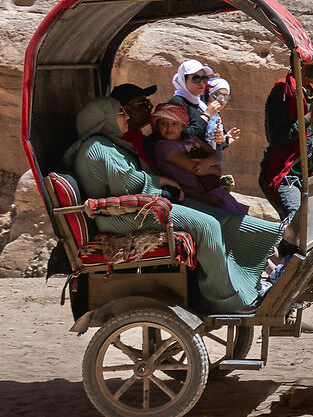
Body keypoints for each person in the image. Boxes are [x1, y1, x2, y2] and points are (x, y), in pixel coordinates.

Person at [63, 96, 280, 314]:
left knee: (218, 216)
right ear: (104, 119)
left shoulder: (107, 143)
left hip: (136, 208)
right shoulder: (97, 148)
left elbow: (131, 178)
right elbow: (127, 184)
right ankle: (225, 298)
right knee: (207, 226)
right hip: (121, 215)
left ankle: (269, 249)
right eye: (120, 112)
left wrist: (160, 184)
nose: (126, 115)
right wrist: (160, 185)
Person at [259, 60, 313, 253]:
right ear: (302, 65)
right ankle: (277, 264)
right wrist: (309, 118)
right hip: (283, 173)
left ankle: (282, 265)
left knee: (307, 227)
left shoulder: (312, 95)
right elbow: (276, 138)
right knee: (298, 224)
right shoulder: (282, 92)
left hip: (303, 175)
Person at [148, 102, 253, 217]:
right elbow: (196, 168)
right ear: (156, 125)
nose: (169, 128)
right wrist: (215, 170)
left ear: (183, 125)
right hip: (194, 196)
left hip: (210, 188)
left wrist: (208, 163)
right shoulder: (164, 146)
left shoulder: (191, 139)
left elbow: (214, 154)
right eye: (164, 123)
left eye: (174, 124)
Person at [109, 83, 161, 170]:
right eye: (144, 103)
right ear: (126, 109)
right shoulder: (126, 141)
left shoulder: (136, 136)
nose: (151, 106)